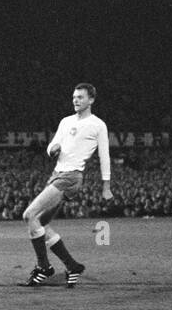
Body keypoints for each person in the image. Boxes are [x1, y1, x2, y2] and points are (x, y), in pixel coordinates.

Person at [22, 83, 113, 287]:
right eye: (74, 96)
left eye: (80, 97)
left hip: (71, 177)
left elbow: (104, 156)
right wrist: (51, 149)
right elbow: (52, 145)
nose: (75, 100)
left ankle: (44, 267)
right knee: (40, 223)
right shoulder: (66, 121)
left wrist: (106, 186)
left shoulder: (98, 125)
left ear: (91, 100)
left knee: (29, 215)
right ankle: (72, 266)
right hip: (57, 173)